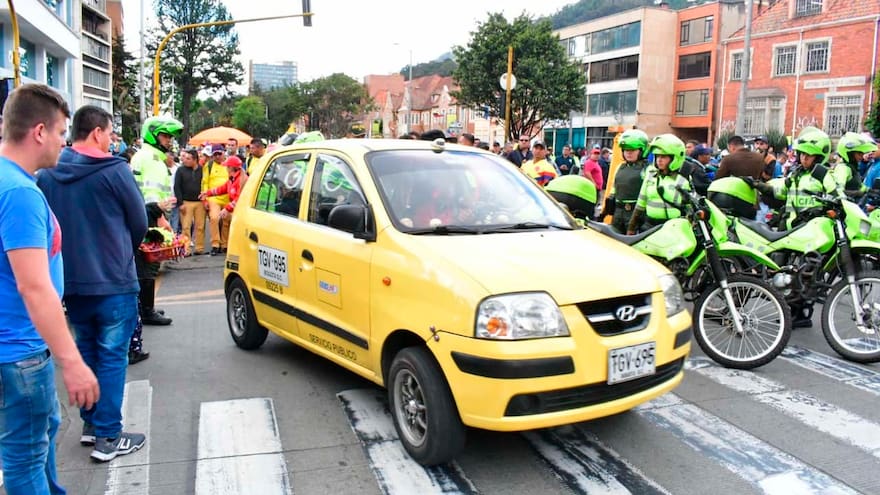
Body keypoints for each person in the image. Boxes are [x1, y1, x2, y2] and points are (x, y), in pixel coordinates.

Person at [0, 83, 99, 494]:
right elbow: (34, 286)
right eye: (61, 132)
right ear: (39, 131)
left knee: (39, 443)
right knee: (25, 461)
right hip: (20, 352)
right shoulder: (19, 192)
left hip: (16, 350)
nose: (63, 142)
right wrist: (72, 361)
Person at [37, 105, 149, 461]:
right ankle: (109, 436)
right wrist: (121, 253)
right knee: (113, 357)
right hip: (113, 280)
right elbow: (139, 222)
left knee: (86, 351)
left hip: (71, 281)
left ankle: (91, 425)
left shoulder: (49, 173)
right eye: (110, 133)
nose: (112, 140)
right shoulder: (115, 171)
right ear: (99, 133)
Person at [131, 116, 181, 325]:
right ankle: (147, 310)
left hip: (145, 214)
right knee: (149, 264)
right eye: (165, 135)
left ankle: (145, 307)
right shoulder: (151, 159)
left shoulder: (147, 156)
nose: (169, 140)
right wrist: (160, 219)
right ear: (153, 135)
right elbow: (152, 197)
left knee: (146, 263)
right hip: (149, 216)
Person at [627, 134, 691, 234]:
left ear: (675, 158)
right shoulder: (651, 176)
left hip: (672, 229)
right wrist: (631, 227)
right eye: (657, 156)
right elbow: (640, 204)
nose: (659, 160)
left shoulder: (683, 180)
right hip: (649, 226)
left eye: (663, 157)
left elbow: (689, 208)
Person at [603, 129, 649, 233]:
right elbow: (614, 189)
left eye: (632, 150)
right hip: (618, 212)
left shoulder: (647, 169)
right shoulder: (620, 167)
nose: (628, 153)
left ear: (642, 150)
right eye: (626, 150)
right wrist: (605, 211)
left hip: (636, 213)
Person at [201, 143, 230, 255]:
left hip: (228, 198)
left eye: (219, 153)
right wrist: (205, 199)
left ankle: (225, 244)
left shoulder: (229, 165)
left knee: (226, 220)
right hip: (214, 198)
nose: (217, 156)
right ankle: (215, 244)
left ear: (224, 153)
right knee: (214, 218)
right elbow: (205, 183)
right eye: (215, 154)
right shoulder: (209, 166)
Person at [175, 149, 205, 255]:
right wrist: (180, 203)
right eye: (185, 158)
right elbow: (177, 187)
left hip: (200, 202)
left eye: (188, 158)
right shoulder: (180, 170)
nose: (185, 160)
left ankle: (199, 248)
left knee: (200, 226)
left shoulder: (203, 170)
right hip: (186, 202)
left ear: (195, 160)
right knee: (186, 227)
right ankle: (186, 249)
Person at [200, 155, 248, 221]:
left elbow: (239, 199)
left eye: (227, 167)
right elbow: (222, 189)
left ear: (231, 168)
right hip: (235, 210)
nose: (226, 169)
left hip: (240, 212)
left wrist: (227, 209)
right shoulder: (232, 179)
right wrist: (207, 193)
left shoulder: (241, 180)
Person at [833, 132, 877, 197]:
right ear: (849, 153)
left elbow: (859, 185)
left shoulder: (852, 167)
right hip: (844, 205)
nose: (862, 156)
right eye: (859, 153)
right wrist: (858, 193)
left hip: (853, 205)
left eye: (862, 153)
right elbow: (837, 191)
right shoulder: (843, 168)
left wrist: (871, 191)